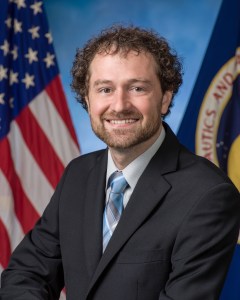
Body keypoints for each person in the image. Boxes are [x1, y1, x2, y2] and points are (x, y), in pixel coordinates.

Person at [0, 25, 240, 300]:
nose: (119, 105)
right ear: (87, 100)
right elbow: (25, 274)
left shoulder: (208, 194)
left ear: (165, 98)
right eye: (105, 89)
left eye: (137, 88)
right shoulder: (78, 174)